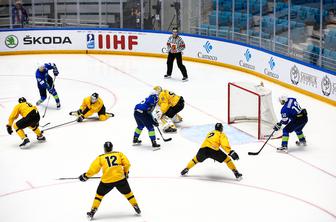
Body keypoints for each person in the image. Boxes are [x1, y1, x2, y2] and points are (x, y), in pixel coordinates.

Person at [79, 141, 141, 220]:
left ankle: (93, 210)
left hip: (107, 181)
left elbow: (94, 169)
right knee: (128, 194)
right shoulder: (119, 154)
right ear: (112, 148)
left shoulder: (100, 157)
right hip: (120, 179)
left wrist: (86, 176)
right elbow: (127, 164)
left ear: (104, 148)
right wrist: (125, 172)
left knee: (99, 195)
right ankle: (135, 206)